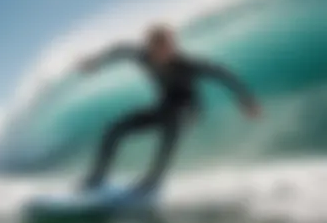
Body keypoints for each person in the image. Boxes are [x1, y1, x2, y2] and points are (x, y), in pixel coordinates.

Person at [79, 24, 261, 193]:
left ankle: (154, 179)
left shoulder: (186, 65)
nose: (166, 53)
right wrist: (96, 61)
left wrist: (246, 100)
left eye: (169, 48)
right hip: (164, 106)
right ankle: (97, 177)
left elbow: (222, 73)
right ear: (151, 48)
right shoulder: (144, 57)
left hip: (189, 109)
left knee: (172, 122)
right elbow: (120, 50)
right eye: (159, 49)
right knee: (114, 129)